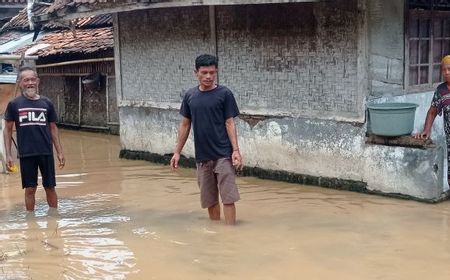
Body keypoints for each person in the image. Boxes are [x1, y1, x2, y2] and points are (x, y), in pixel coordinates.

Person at [170, 54, 243, 225]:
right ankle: (216, 232)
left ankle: (230, 234)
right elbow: (185, 125)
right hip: (202, 157)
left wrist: (236, 150)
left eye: (212, 72)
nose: (208, 76)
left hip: (223, 154)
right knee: (210, 200)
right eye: (204, 73)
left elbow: (229, 122)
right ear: (196, 73)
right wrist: (177, 152)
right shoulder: (190, 96)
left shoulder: (224, 94)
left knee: (228, 198)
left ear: (216, 72)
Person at [3, 66, 65, 211]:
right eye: (26, 80)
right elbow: (7, 130)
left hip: (46, 152)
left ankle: (54, 220)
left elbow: (53, 128)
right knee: (30, 189)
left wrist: (59, 151)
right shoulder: (14, 104)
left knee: (50, 187)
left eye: (32, 79)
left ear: (38, 81)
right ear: (20, 83)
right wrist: (8, 155)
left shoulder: (47, 103)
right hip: (26, 154)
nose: (30, 83)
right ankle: (30, 221)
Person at [415, 55, 450, 183]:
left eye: (449, 69)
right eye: (444, 70)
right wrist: (426, 130)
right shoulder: (441, 91)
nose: (446, 73)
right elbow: (432, 112)